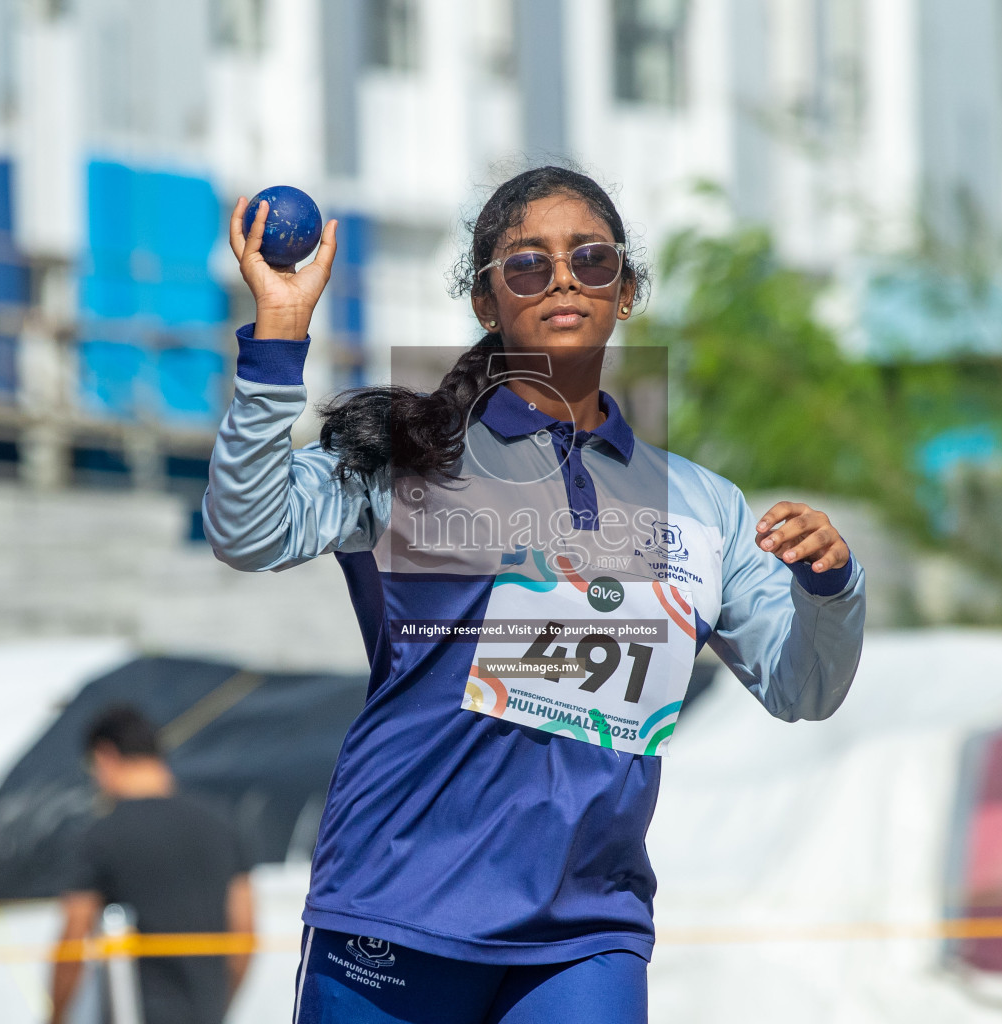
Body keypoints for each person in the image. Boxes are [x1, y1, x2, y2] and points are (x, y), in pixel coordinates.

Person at [204, 166, 866, 1023]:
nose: (562, 277)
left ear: (625, 292)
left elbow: (803, 686)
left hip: (586, 930)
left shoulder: (705, 507)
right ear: (486, 302)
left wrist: (830, 587)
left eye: (591, 260)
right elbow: (248, 530)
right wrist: (279, 338)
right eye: (527, 264)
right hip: (400, 904)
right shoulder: (413, 455)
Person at [48, 705, 256, 1024]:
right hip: (208, 1014)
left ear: (105, 756)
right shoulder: (220, 826)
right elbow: (244, 929)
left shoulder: (101, 835)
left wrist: (55, 1016)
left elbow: (72, 941)